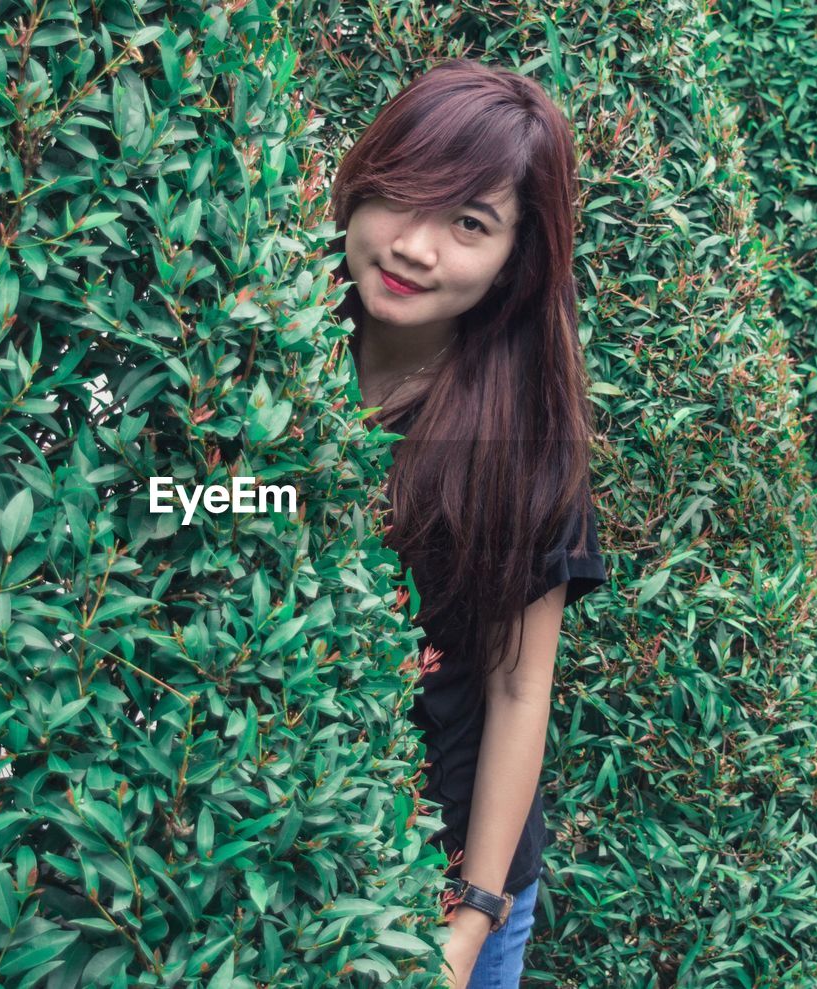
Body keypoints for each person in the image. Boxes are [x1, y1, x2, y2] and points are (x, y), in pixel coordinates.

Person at [327, 58, 610, 987]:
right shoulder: (256, 359)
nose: (416, 247)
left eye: (469, 224)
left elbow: (520, 690)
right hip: (280, 840)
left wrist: (472, 919)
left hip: (446, 877)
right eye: (404, 197)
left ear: (511, 264)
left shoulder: (521, 435)